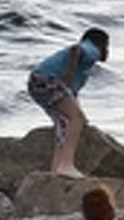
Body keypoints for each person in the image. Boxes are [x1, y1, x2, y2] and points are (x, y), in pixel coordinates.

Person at [28, 27, 111, 176]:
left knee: (64, 122)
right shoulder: (92, 49)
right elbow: (76, 49)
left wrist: (81, 116)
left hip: (36, 80)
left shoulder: (84, 68)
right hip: (49, 80)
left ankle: (56, 168)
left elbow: (71, 97)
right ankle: (67, 165)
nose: (108, 51)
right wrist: (69, 72)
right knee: (75, 119)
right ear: (101, 44)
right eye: (107, 45)